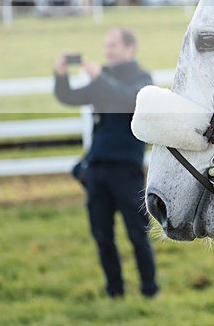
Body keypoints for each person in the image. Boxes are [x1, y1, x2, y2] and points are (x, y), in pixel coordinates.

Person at [54, 27, 158, 299]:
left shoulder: (142, 79)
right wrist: (61, 75)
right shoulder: (103, 77)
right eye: (106, 46)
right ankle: (115, 292)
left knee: (138, 234)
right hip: (97, 169)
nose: (107, 51)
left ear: (129, 49)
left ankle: (150, 291)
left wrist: (99, 78)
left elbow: (127, 100)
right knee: (102, 236)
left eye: (113, 45)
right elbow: (70, 98)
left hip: (127, 169)